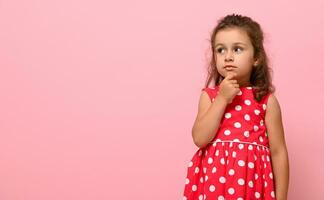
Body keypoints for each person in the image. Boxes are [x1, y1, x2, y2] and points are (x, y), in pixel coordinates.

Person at [182, 14, 289, 200]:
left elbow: (278, 152)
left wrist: (281, 198)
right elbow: (200, 138)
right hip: (214, 185)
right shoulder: (210, 96)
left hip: (251, 187)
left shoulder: (265, 101)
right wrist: (222, 99)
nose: (228, 57)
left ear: (256, 57)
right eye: (221, 50)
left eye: (237, 49)